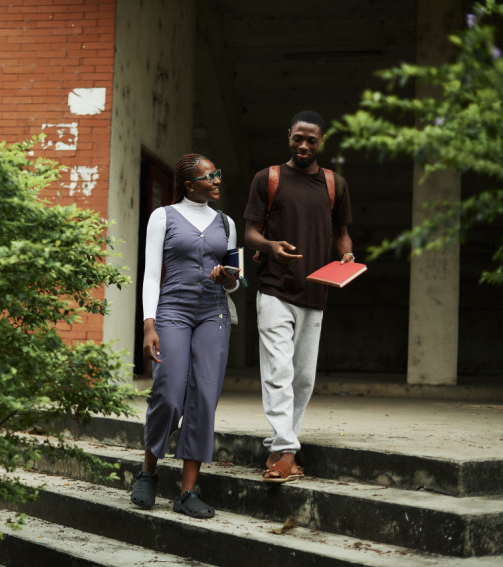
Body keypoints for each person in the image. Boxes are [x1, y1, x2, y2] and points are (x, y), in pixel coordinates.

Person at [243, 110, 354, 482]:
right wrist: (271, 246)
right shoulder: (268, 178)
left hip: (316, 292)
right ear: (288, 135)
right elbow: (251, 234)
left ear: (322, 141)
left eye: (312, 140)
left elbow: (342, 234)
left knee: (303, 377)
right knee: (279, 370)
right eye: (298, 138)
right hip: (274, 288)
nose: (304, 145)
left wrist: (347, 254)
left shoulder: (334, 184)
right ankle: (284, 453)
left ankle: (283, 443)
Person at [131, 153, 240, 518]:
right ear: (190, 184)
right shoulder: (162, 216)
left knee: (204, 397)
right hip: (173, 310)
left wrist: (228, 277)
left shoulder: (226, 222)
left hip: (213, 313)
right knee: (168, 391)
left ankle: (188, 492)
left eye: (218, 174)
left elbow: (236, 279)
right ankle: (148, 472)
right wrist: (149, 323)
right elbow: (150, 275)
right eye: (210, 176)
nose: (217, 181)